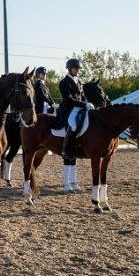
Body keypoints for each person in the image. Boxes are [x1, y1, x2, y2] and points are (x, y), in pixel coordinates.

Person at [58, 58, 93, 190]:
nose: (77, 71)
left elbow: (82, 96)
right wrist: (83, 104)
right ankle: (67, 147)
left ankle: (73, 181)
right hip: (69, 109)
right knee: (73, 124)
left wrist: (87, 103)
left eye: (77, 69)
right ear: (69, 69)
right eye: (75, 69)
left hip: (80, 108)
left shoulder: (79, 81)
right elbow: (69, 99)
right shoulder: (64, 82)